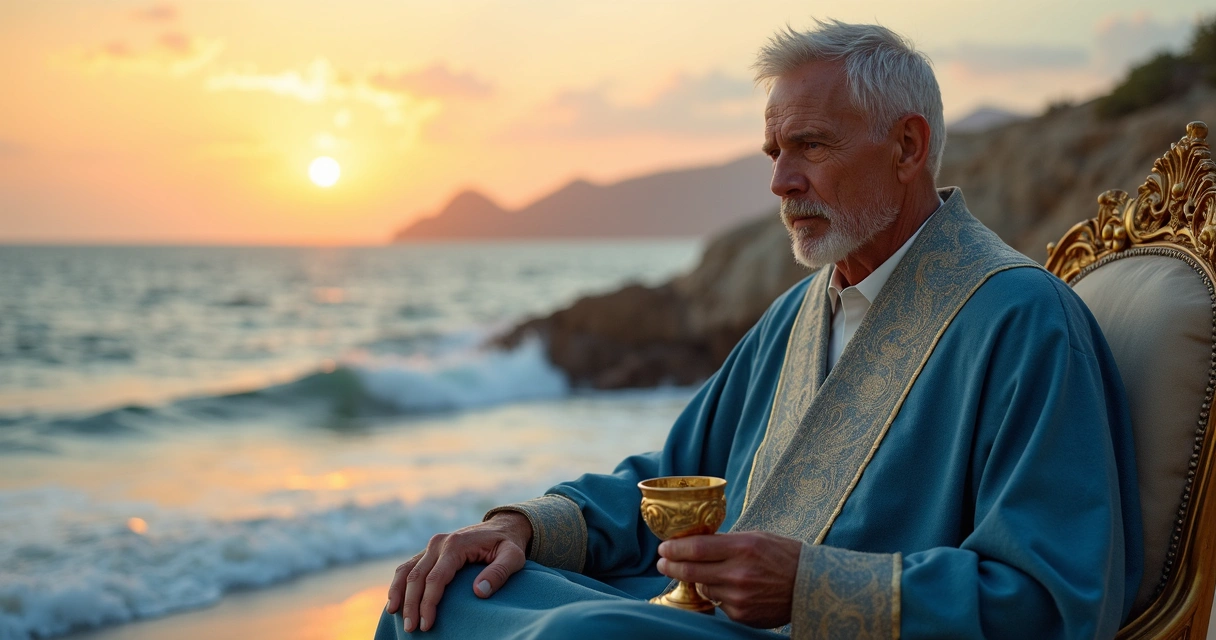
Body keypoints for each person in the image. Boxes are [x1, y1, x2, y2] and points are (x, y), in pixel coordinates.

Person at [375, 19, 1142, 640]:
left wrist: (813, 587)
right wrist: (520, 527)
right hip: (707, 621)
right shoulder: (799, 314)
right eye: (775, 152)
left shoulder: (1022, 321)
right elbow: (672, 478)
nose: (780, 181)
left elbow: (1056, 597)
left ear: (907, 146)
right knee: (438, 598)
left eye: (811, 145)